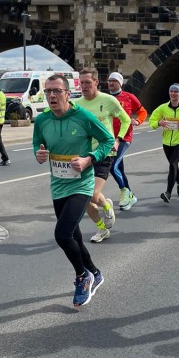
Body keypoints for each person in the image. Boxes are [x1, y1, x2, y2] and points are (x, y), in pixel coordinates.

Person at [33, 74, 114, 307]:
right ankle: (95, 273)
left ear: (68, 94)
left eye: (57, 91)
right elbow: (37, 143)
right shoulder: (42, 120)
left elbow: (108, 141)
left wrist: (90, 159)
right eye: (48, 91)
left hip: (81, 184)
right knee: (74, 235)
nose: (51, 96)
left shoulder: (83, 117)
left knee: (62, 234)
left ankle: (82, 276)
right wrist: (38, 154)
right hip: (58, 186)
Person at [74, 67, 131, 242]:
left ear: (96, 82)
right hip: (84, 155)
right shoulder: (77, 104)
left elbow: (126, 119)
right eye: (81, 83)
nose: (84, 86)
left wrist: (118, 139)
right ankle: (102, 228)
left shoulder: (109, 100)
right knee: (83, 199)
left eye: (87, 82)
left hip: (104, 152)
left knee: (91, 194)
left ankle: (106, 205)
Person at [107, 71, 147, 211]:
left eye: (114, 81)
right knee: (119, 168)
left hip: (125, 137)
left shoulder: (129, 97)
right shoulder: (105, 98)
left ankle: (124, 191)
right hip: (110, 139)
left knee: (112, 166)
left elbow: (143, 111)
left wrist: (138, 121)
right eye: (109, 80)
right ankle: (130, 195)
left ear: (120, 83)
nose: (111, 83)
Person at [148, 83, 179, 203]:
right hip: (166, 142)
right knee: (174, 165)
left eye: (176, 92)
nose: (173, 93)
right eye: (172, 91)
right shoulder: (163, 108)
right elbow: (152, 120)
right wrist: (159, 123)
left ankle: (168, 192)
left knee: (173, 164)